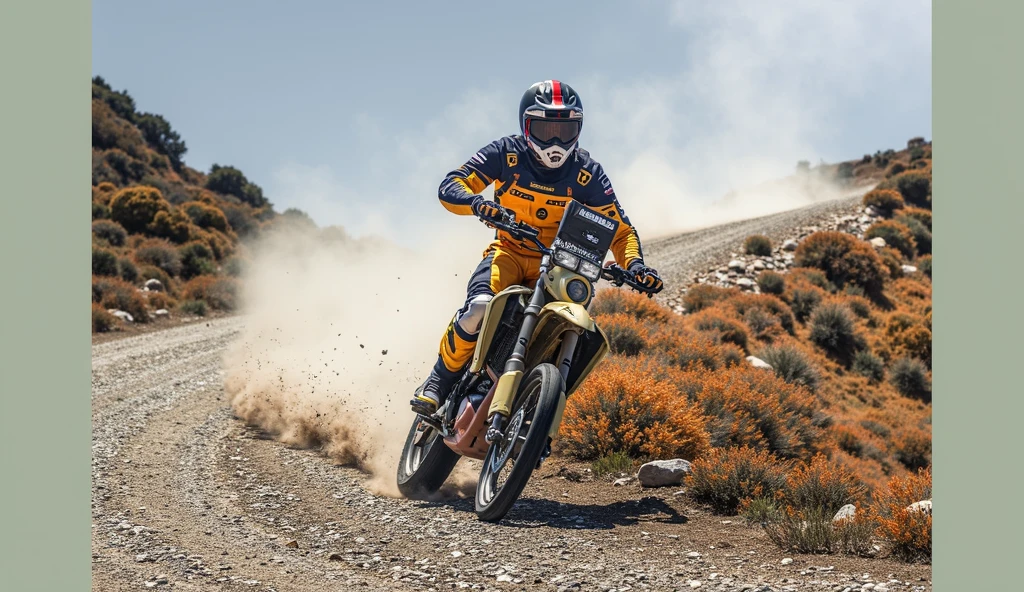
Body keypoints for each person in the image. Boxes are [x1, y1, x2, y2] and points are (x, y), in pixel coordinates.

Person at [410, 79, 663, 416]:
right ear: (526, 126)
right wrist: (476, 203)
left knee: (571, 327)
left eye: (565, 129)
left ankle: (538, 413)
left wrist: (635, 266)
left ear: (579, 129)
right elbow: (451, 184)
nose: (555, 141)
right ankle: (439, 380)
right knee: (480, 308)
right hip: (509, 254)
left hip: (562, 266)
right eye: (545, 129)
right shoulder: (505, 152)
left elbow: (620, 230)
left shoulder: (588, 174)